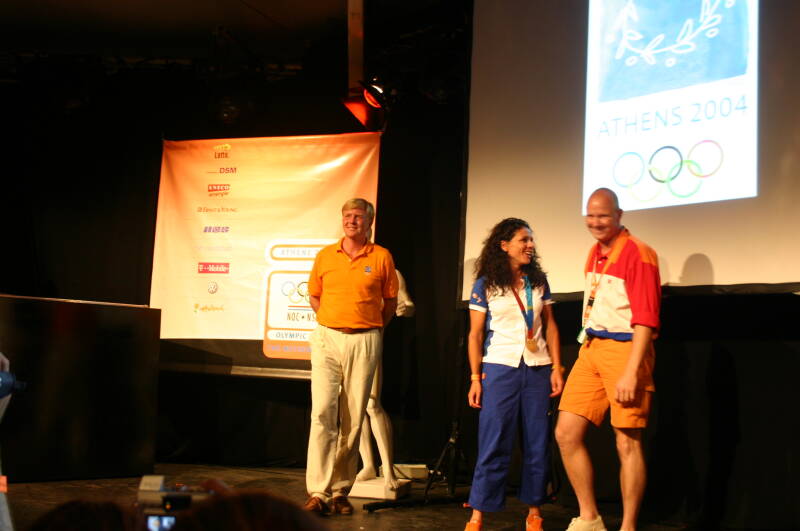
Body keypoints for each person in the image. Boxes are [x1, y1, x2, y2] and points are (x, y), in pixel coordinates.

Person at [555, 188, 661, 531]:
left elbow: (646, 319)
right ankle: (590, 518)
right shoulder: (594, 252)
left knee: (626, 441)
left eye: (603, 215)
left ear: (619, 215)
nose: (596, 222)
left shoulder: (639, 253)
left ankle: (628, 526)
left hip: (625, 350)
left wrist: (632, 371)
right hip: (592, 347)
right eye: (590, 215)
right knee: (566, 433)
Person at [465, 218, 564, 531]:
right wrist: (475, 378)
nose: (530, 245)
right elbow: (475, 335)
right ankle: (477, 515)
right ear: (504, 245)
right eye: (524, 240)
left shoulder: (538, 281)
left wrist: (557, 367)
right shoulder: (486, 284)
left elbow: (551, 326)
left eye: (531, 240)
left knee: (537, 442)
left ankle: (534, 512)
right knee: (493, 440)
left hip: (537, 368)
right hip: (499, 368)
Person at [303, 198, 398, 515]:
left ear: (370, 222)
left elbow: (390, 302)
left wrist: (370, 329)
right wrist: (332, 321)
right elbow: (314, 295)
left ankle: (340, 491)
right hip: (327, 337)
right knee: (322, 414)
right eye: (347, 215)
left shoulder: (381, 256)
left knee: (354, 419)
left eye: (358, 216)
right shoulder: (325, 255)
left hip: (365, 339)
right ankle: (318, 492)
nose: (351, 221)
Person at [355, 270, 415, 490]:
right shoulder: (345, 269)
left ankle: (388, 469)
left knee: (372, 404)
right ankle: (368, 465)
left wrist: (406, 306)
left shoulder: (389, 271)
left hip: (371, 341)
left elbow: (408, 303)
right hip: (344, 341)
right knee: (355, 407)